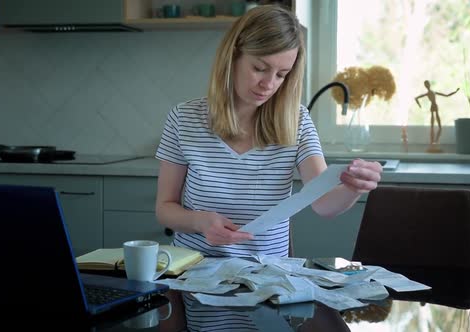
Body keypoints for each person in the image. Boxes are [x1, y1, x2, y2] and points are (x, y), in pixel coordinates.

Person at [155, 5, 382, 259]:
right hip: (194, 273)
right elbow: (165, 208)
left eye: (281, 75)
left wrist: (354, 188)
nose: (268, 84)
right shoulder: (183, 118)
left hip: (268, 281)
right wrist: (199, 221)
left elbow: (324, 204)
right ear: (233, 56)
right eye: (260, 68)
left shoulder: (297, 121)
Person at [415, 80, 459, 148]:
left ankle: (435, 142)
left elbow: (446, 95)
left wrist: (455, 91)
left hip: (434, 106)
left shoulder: (433, 92)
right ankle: (433, 142)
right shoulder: (428, 93)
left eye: (428, 84)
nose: (428, 85)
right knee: (433, 126)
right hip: (433, 107)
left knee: (437, 126)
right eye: (427, 84)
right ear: (426, 86)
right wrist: (419, 105)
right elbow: (416, 98)